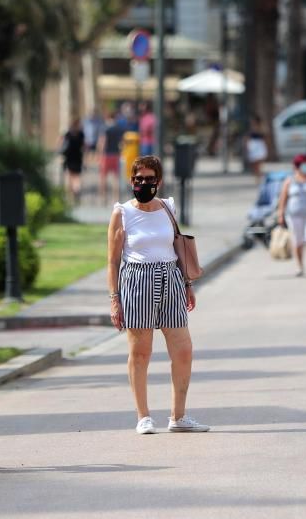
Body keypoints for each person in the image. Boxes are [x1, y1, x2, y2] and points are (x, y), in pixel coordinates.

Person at [106, 156, 209, 435]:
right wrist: (115, 300)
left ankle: (178, 416)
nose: (143, 184)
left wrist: (188, 284)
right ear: (131, 181)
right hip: (137, 278)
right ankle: (143, 416)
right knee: (140, 351)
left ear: (159, 182)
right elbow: (113, 261)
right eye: (138, 179)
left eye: (150, 179)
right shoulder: (123, 213)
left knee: (184, 350)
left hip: (171, 278)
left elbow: (177, 247)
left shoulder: (167, 207)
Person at [99, 113, 126, 203]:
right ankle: (116, 198)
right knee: (116, 178)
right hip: (116, 154)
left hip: (106, 154)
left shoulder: (105, 128)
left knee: (103, 177)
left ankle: (103, 198)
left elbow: (103, 142)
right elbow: (122, 142)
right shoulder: (119, 129)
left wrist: (100, 153)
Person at [61, 118, 85, 204]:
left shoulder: (68, 134)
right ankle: (77, 190)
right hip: (78, 158)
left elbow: (61, 144)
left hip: (69, 158)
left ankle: (69, 196)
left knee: (69, 177)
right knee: (77, 177)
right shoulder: (81, 134)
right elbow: (84, 147)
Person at [245, 114, 268, 184]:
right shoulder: (251, 128)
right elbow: (247, 137)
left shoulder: (262, 128)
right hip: (253, 146)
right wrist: (247, 146)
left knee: (259, 163)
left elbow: (265, 137)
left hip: (260, 145)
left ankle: (259, 177)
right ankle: (257, 176)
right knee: (254, 164)